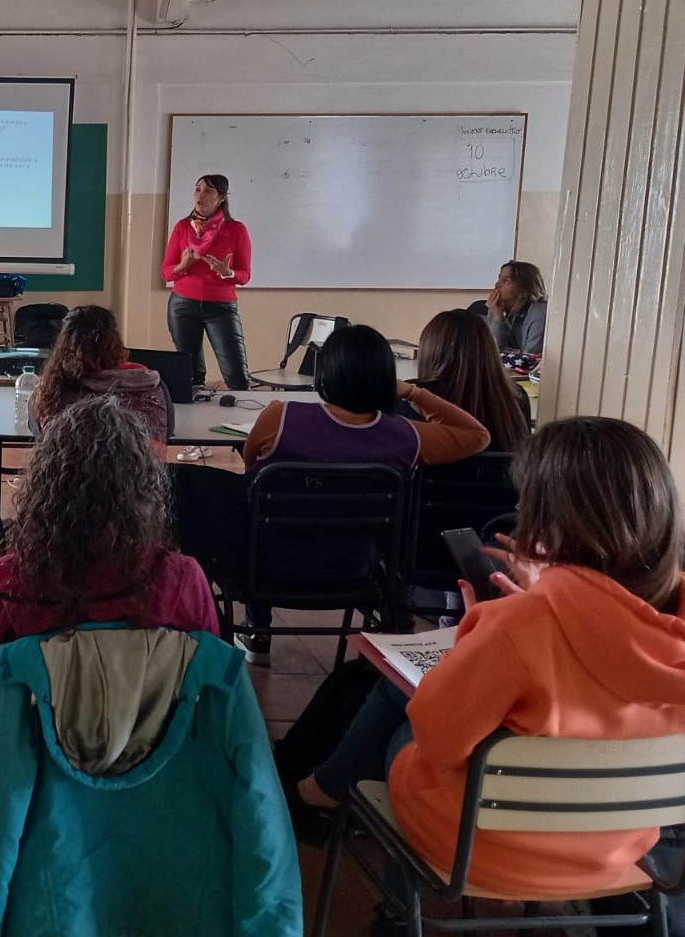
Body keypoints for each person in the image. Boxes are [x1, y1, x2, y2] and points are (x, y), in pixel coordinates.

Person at [296, 416, 685, 907]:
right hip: (617, 853)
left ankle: (395, 906)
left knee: (406, 730)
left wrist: (483, 628)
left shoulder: (518, 626)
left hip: (484, 849)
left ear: (552, 519)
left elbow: (439, 738)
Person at [233, 324, 491, 663]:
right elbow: (476, 435)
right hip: (356, 571)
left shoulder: (280, 417)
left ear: (323, 373)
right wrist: (412, 393)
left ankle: (257, 631)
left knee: (264, 520)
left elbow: (252, 470)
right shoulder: (406, 436)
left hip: (266, 568)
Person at [0, 394, 218, 702]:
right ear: (144, 487)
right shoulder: (183, 580)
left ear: (43, 485)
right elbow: (210, 681)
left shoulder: (6, 582)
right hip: (162, 744)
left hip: (40, 744)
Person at [162, 173, 253, 390]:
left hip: (221, 308)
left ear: (221, 198)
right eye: (197, 189)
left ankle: (240, 423)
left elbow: (245, 275)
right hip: (182, 305)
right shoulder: (183, 227)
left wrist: (227, 272)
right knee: (190, 376)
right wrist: (184, 265)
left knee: (237, 376)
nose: (200, 195)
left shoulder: (236, 229)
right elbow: (166, 273)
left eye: (208, 191)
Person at [31, 304, 167, 449]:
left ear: (62, 342)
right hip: (137, 469)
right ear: (115, 340)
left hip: (68, 469)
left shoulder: (51, 388)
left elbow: (43, 438)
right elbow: (163, 436)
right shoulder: (147, 383)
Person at [405, 308, 531, 452]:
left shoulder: (414, 397)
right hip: (502, 475)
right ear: (490, 349)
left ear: (429, 351)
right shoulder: (515, 396)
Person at [486, 259, 548, 355]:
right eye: (499, 279)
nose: (497, 285)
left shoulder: (539, 313)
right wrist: (498, 317)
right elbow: (491, 351)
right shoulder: (497, 306)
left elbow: (530, 358)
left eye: (505, 281)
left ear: (523, 291)